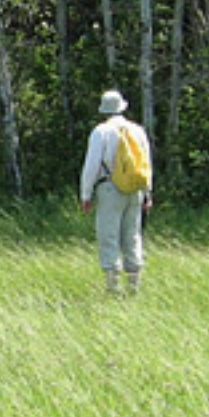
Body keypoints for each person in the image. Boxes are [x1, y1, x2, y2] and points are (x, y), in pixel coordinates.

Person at [79, 90, 153, 295]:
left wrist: (86, 194)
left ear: (104, 110)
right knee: (133, 235)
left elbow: (92, 165)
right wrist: (148, 193)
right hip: (136, 189)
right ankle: (134, 287)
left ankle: (113, 288)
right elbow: (146, 163)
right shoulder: (138, 130)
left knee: (109, 235)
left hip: (109, 188)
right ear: (123, 107)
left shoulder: (100, 132)